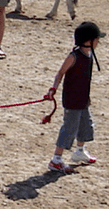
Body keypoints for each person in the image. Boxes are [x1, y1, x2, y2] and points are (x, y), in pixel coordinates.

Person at [45, 21, 105, 173]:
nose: (98, 42)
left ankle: (79, 151)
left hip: (83, 99)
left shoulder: (89, 55)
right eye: (97, 39)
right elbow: (60, 73)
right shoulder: (74, 56)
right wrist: (53, 88)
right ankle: (56, 159)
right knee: (69, 128)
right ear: (89, 41)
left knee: (86, 124)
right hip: (72, 100)